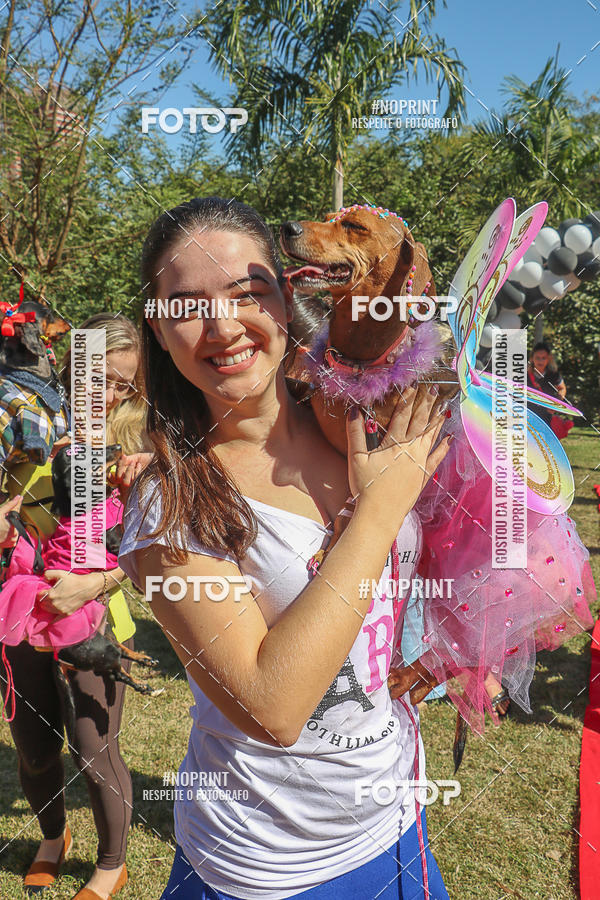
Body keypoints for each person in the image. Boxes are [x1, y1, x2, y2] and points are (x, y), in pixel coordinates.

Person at [119, 196, 453, 899]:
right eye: (186, 305)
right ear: (158, 325)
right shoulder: (169, 505)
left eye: (248, 292)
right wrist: (377, 514)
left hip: (397, 822)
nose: (223, 326)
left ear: (286, 296)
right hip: (270, 867)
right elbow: (274, 709)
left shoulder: (355, 424)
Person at [0, 313, 147, 900]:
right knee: (34, 750)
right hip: (21, 613)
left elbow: (158, 552)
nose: (108, 394)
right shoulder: (28, 429)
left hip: (97, 622)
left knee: (93, 750)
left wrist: (95, 585)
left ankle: (112, 864)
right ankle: (52, 839)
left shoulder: (142, 450)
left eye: (123, 385)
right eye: (99, 377)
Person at [527, 341, 567, 426]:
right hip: (527, 415)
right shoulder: (523, 374)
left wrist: (556, 404)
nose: (540, 361)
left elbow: (562, 388)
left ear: (548, 359)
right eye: (537, 358)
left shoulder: (554, 375)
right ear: (532, 359)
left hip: (546, 417)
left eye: (543, 358)